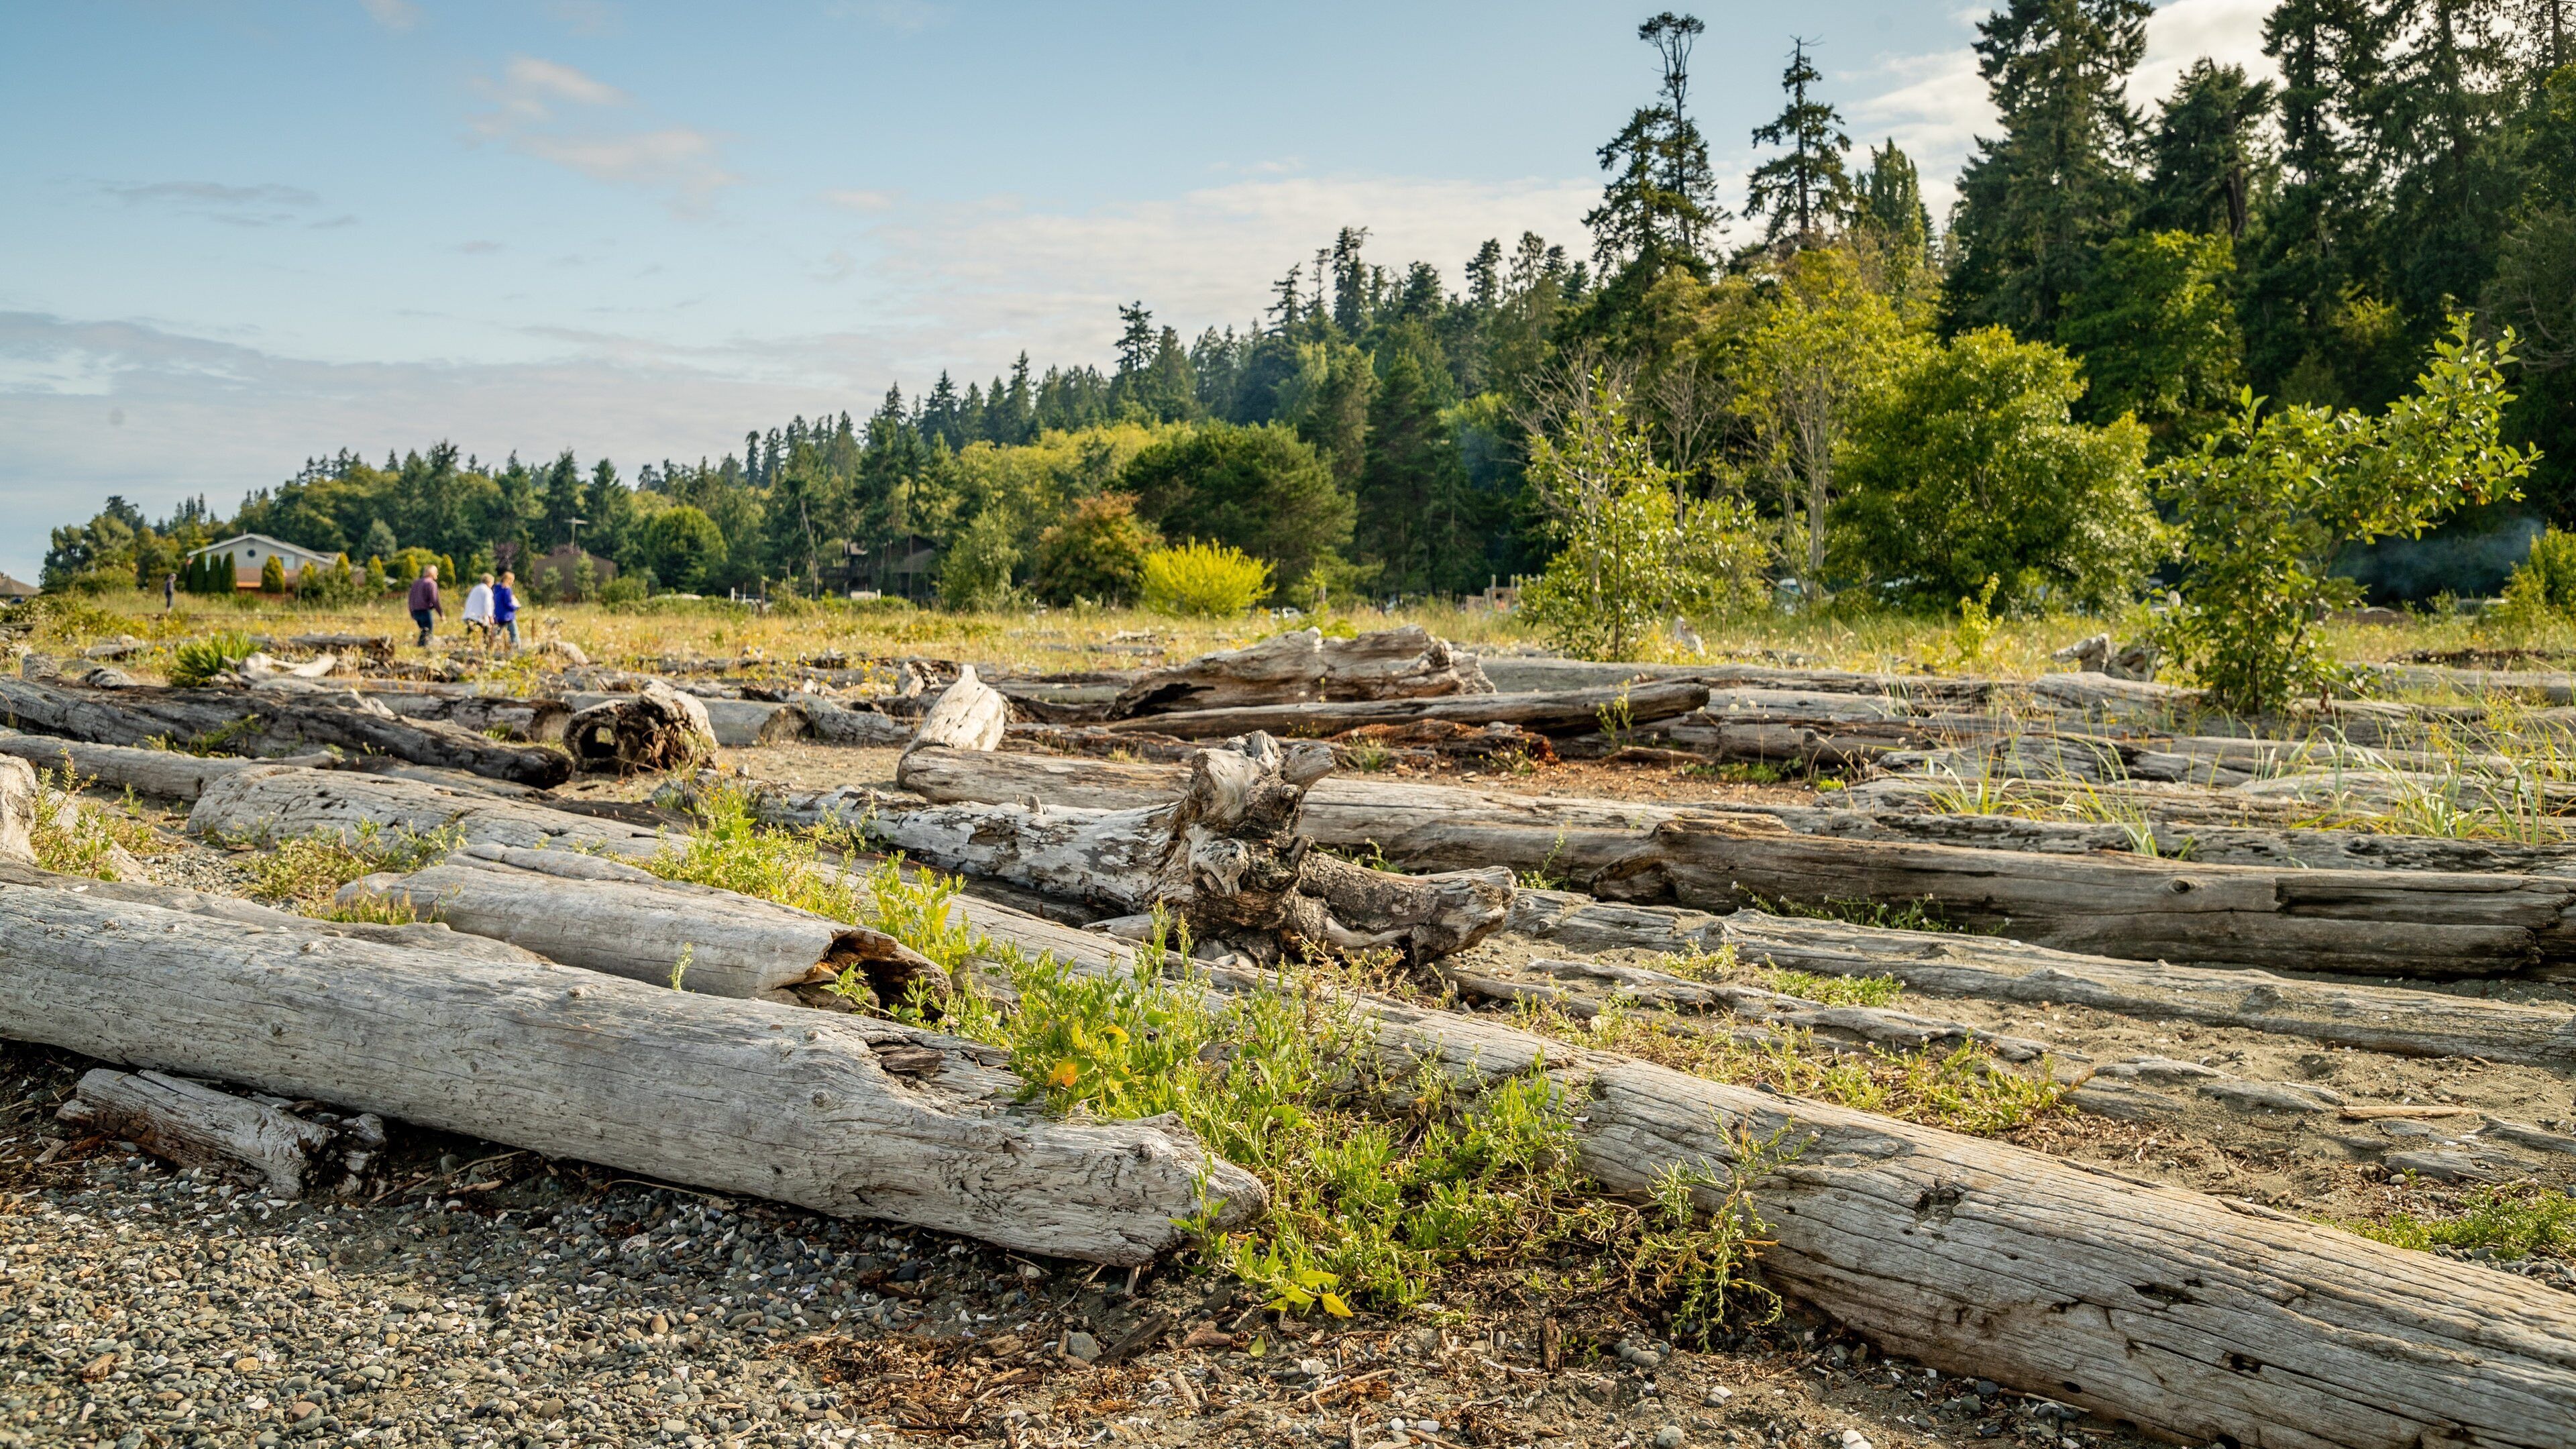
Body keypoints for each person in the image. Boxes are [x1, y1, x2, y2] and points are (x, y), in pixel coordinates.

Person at [407, 564, 443, 647]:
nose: (437, 574)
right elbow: (435, 600)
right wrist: (441, 614)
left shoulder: (416, 583)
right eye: (436, 572)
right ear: (432, 573)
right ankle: (426, 652)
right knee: (428, 633)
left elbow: (410, 599)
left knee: (423, 632)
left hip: (416, 612)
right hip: (425, 612)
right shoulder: (431, 583)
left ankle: (419, 648)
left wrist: (411, 612)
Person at [462, 574, 494, 646]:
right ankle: (486, 648)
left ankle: (468, 648)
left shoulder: (475, 588)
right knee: (486, 634)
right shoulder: (487, 591)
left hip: (469, 615)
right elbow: (488, 604)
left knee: (470, 635)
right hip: (479, 617)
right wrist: (490, 617)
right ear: (489, 582)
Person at [491, 569, 519, 650]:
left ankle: (492, 647)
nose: (512, 583)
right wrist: (516, 607)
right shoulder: (507, 589)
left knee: (498, 634)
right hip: (507, 616)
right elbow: (508, 603)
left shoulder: (496, 588)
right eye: (512, 580)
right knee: (514, 633)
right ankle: (517, 648)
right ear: (508, 580)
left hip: (498, 615)